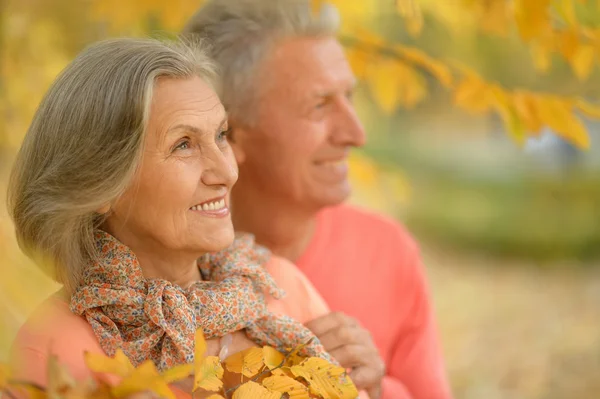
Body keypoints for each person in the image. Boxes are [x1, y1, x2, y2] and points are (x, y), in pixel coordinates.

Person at [6, 37, 356, 397]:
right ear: (102, 186)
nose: (226, 171)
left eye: (221, 135)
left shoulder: (278, 286)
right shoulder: (53, 349)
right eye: (183, 145)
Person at [182, 1, 452, 398]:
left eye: (349, 97)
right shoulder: (147, 276)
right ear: (230, 132)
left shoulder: (387, 251)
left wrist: (372, 390)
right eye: (320, 105)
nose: (356, 134)